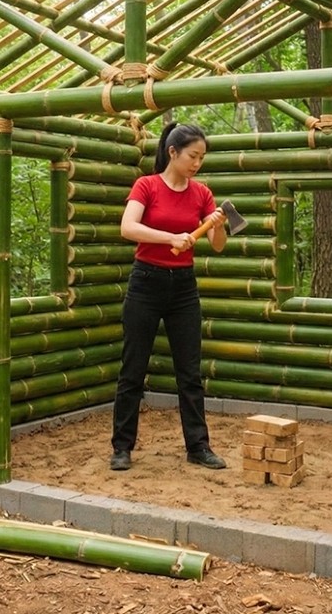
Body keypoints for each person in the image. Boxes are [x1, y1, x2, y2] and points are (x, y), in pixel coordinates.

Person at [110, 121, 229, 471]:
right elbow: (127, 227)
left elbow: (218, 246)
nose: (197, 163)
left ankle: (198, 446)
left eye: (202, 158)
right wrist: (170, 237)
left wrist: (218, 226)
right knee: (133, 369)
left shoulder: (202, 193)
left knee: (189, 371)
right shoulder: (146, 185)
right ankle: (121, 447)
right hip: (145, 282)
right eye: (193, 156)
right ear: (173, 152)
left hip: (183, 288)